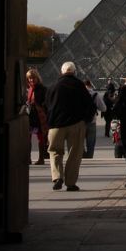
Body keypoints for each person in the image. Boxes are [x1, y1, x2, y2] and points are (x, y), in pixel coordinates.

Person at [46, 61, 96, 191]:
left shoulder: (53, 86)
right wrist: (85, 120)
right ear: (74, 72)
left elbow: (46, 105)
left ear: (61, 72)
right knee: (75, 153)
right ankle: (70, 182)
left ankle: (57, 177)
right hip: (75, 124)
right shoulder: (79, 85)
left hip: (56, 125)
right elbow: (90, 105)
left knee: (55, 152)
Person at [25, 67, 48, 165]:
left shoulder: (42, 89)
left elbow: (46, 102)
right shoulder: (29, 89)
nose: (31, 80)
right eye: (29, 78)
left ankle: (41, 158)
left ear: (37, 78)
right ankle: (28, 158)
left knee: (41, 137)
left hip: (39, 116)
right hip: (31, 116)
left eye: (33, 78)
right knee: (28, 137)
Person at [83, 79, 107, 158]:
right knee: (91, 143)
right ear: (90, 85)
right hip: (92, 121)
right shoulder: (95, 94)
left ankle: (82, 155)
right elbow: (103, 108)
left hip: (80, 122)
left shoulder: (77, 93)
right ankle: (89, 157)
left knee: (79, 142)